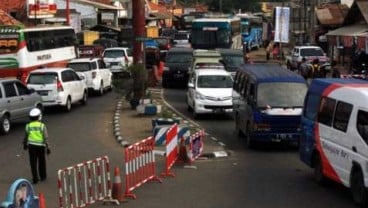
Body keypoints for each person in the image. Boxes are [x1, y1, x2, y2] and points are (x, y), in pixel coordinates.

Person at [23, 108, 50, 184]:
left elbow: (26, 136)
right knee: (42, 161)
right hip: (41, 146)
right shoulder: (42, 126)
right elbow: (46, 137)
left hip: (31, 146)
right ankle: (43, 176)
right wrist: (48, 147)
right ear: (39, 116)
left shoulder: (28, 126)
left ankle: (35, 179)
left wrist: (25, 144)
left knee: (33, 163)